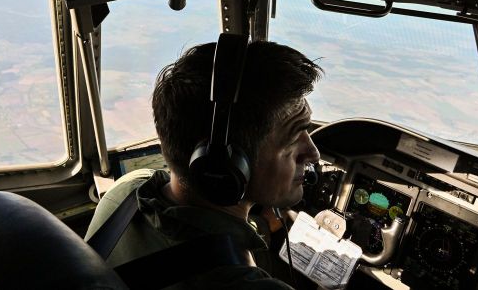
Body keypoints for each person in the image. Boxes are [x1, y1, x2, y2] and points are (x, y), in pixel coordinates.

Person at [85, 39, 322, 289]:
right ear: (227, 164)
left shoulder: (126, 191)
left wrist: (262, 224)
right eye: (293, 138)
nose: (313, 153)